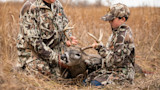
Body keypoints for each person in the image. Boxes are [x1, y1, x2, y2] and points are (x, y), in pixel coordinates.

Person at [16, 0, 77, 80]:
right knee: (46, 72)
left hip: (54, 49)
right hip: (33, 52)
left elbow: (65, 23)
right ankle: (22, 69)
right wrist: (57, 59)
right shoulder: (30, 7)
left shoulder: (57, 4)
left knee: (72, 68)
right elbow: (35, 42)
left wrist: (68, 37)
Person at [85, 3, 135, 86]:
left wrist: (100, 48)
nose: (109, 21)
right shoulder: (117, 32)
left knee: (93, 84)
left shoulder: (122, 36)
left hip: (122, 74)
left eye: (112, 19)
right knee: (87, 80)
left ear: (122, 19)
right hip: (112, 70)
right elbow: (112, 52)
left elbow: (116, 61)